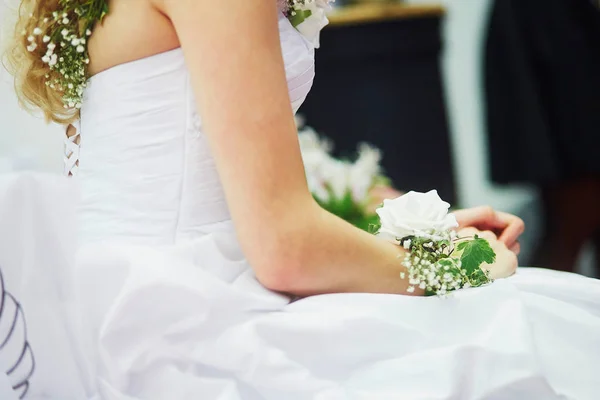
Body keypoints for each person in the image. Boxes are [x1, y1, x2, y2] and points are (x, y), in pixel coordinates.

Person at [0, 0, 599, 399]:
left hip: (141, 311)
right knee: (532, 329)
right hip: (194, 326)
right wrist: (457, 265)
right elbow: (283, 248)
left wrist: (387, 248)